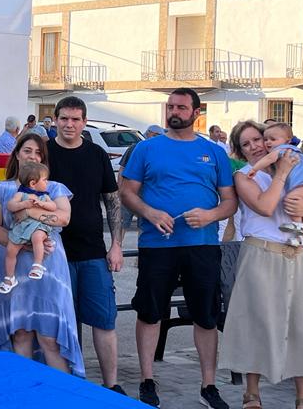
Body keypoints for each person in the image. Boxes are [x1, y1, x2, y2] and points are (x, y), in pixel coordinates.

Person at [120, 88, 237, 409]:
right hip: (157, 246)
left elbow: (229, 200)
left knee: (206, 315)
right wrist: (149, 212)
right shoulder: (146, 148)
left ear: (196, 113)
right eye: (170, 106)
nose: (174, 111)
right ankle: (147, 380)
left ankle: (208, 386)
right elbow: (127, 192)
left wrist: (210, 214)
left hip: (202, 246)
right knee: (149, 311)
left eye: (182, 107)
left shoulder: (213, 152)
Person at [218, 119, 303, 409]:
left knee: (302, 323)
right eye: (247, 144)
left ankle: (302, 397)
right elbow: (265, 207)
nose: (256, 146)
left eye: (260, 139)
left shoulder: (295, 167)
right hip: (260, 252)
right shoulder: (245, 176)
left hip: (298, 255)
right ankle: (252, 393)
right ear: (239, 151)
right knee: (256, 322)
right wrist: (283, 174)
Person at [0, 133, 84, 376]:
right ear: (16, 154)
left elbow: (63, 218)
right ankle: (24, 395)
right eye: (28, 150)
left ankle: (60, 397)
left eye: (38, 153)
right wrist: (23, 243)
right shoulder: (2, 188)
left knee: (49, 337)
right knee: (20, 333)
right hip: (12, 266)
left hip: (48, 268)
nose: (33, 156)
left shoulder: (54, 188)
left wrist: (28, 213)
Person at [47, 95, 124, 393]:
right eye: (64, 118)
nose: (69, 124)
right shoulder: (44, 153)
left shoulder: (97, 154)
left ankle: (112, 385)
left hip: (93, 252)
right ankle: (70, 387)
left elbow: (112, 202)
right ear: (55, 120)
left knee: (104, 321)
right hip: (55, 254)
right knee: (65, 325)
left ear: (84, 122)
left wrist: (116, 244)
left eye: (76, 119)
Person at [0, 161, 55, 289]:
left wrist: (43, 204)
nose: (47, 183)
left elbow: (53, 206)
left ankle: (37, 265)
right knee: (11, 250)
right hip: (21, 227)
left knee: (37, 237)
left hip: (37, 226)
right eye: (45, 180)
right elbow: (10, 206)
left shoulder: (44, 196)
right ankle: (9, 278)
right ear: (33, 183)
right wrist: (23, 205)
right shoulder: (21, 194)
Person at [117, 124, 164, 230]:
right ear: (148, 134)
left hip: (147, 196)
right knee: (122, 224)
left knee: (143, 226)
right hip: (129, 193)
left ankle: (141, 247)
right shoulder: (135, 148)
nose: (157, 138)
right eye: (155, 135)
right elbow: (122, 169)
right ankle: (117, 245)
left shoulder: (159, 151)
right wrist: (120, 190)